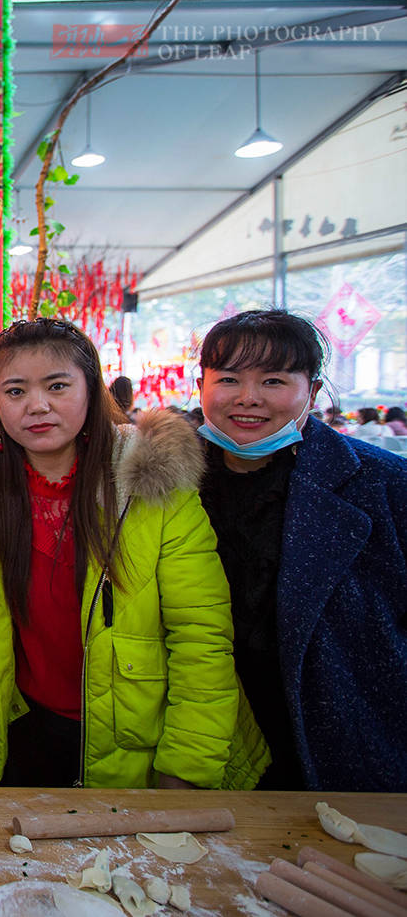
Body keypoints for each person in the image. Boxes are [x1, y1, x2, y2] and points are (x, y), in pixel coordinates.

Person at [0, 318, 268, 790]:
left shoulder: (153, 486)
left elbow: (201, 635)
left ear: (91, 390)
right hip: (26, 732)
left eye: (57, 386)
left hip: (143, 747)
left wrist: (186, 766)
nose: (37, 406)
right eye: (15, 391)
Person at [196, 310, 407, 791]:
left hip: (343, 748)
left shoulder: (383, 487)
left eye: (272, 380)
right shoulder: (163, 484)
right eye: (229, 378)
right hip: (205, 739)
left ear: (311, 392)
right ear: (202, 386)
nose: (248, 398)